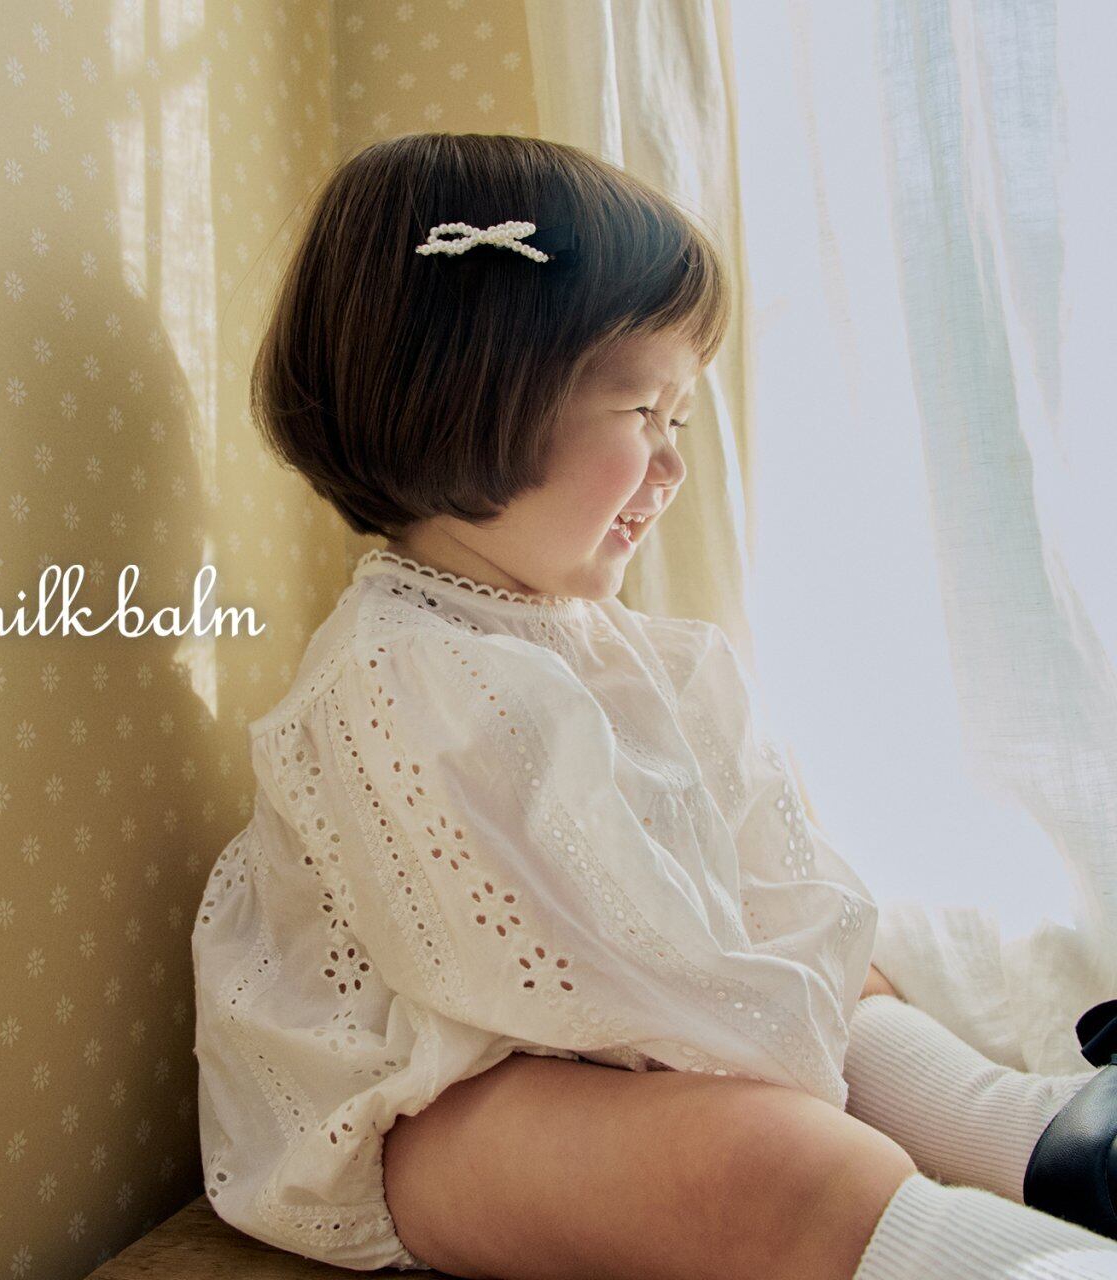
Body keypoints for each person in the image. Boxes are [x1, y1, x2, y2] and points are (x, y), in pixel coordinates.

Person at [192, 132, 1116, 1278]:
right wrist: (794, 1059)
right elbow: (575, 979)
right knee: (773, 1163)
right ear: (475, 399)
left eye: (678, 421)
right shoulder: (398, 674)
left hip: (624, 1034)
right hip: (424, 1103)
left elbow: (778, 898)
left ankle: (1039, 1136)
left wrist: (829, 993)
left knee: (850, 979)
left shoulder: (646, 659)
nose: (671, 468)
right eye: (642, 413)